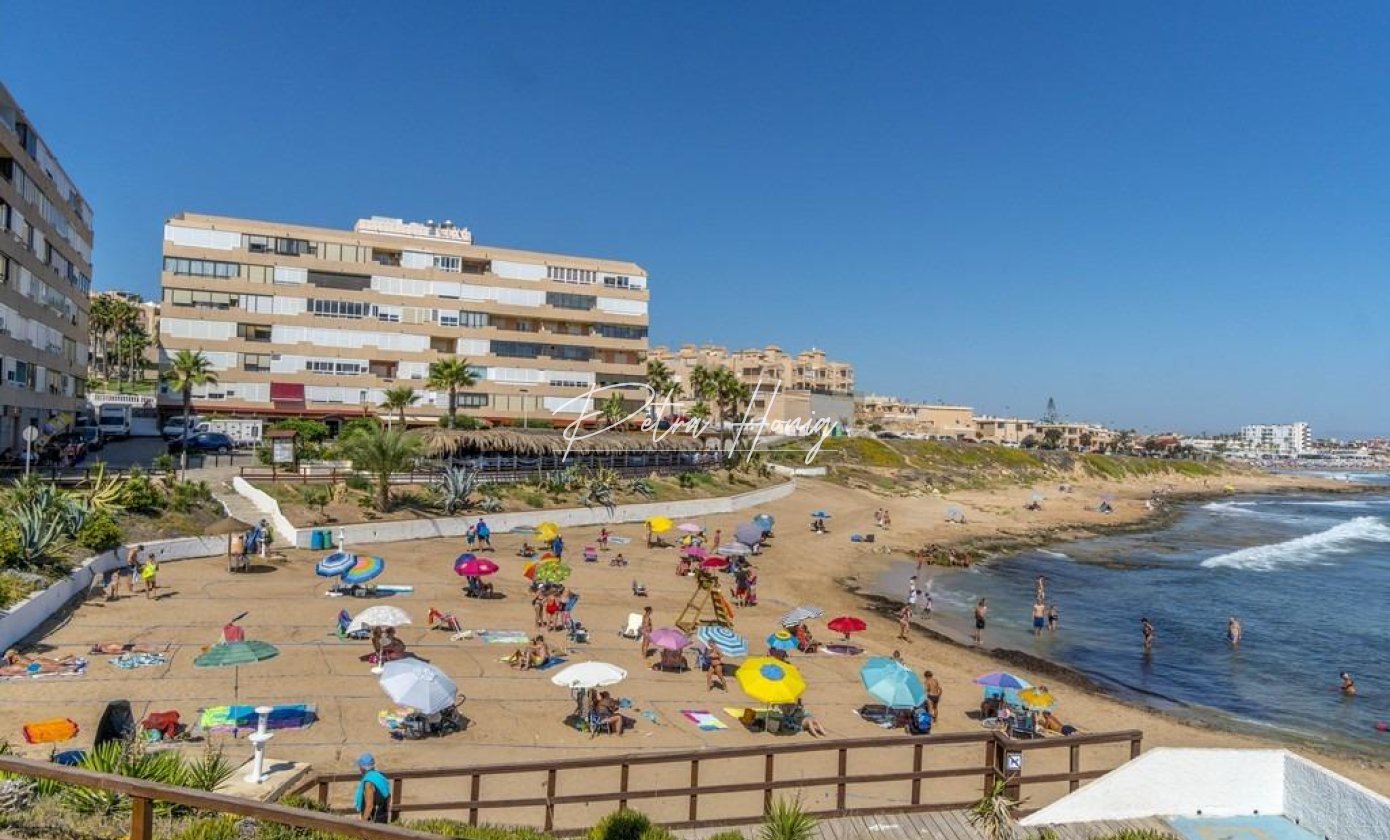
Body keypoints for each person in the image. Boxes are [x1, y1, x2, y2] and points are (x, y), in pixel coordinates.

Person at [354, 753, 391, 823]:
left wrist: (363, 822)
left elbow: (369, 806)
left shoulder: (369, 783)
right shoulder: (381, 776)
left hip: (374, 821)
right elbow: (388, 797)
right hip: (383, 816)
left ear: (362, 768)